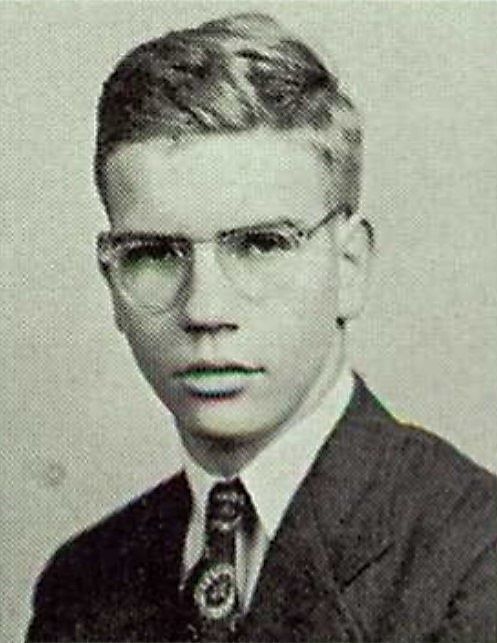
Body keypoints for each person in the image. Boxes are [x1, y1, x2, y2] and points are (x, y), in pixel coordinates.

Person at [27, 12, 497, 643]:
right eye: (153, 253)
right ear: (111, 281)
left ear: (349, 267)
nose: (204, 309)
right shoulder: (82, 584)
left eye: (261, 245)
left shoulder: (474, 560)